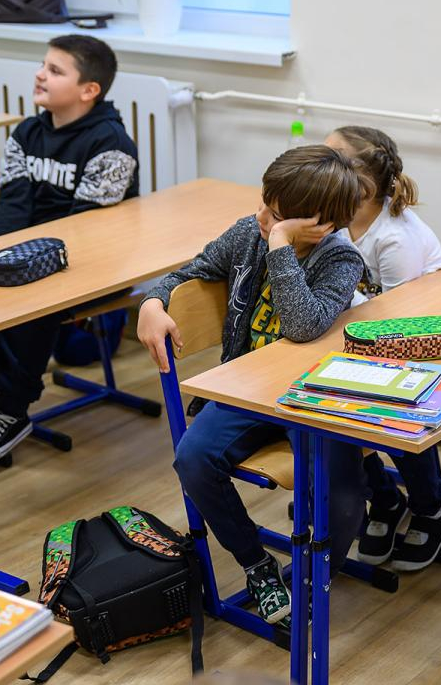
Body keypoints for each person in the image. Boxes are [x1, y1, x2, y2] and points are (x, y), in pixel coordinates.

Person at [137, 145, 366, 625]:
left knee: (340, 491)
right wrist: (152, 304)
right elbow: (187, 273)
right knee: (193, 458)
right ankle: (256, 563)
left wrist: (280, 244)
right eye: (264, 203)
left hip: (314, 396)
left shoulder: (341, 259)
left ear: (320, 224)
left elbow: (303, 325)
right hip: (249, 389)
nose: (261, 217)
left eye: (276, 215)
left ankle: (317, 574)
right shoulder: (248, 233)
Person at [0, 34, 139, 464]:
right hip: (29, 255)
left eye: (55, 70)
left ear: (89, 89)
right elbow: (12, 206)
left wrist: (28, 269)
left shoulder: (112, 144)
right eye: (43, 65)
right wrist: (1, 261)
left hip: (90, 264)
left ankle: (13, 407)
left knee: (35, 302)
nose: (40, 74)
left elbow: (88, 228)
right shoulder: (27, 132)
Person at [325, 125, 441, 571]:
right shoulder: (338, 220)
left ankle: (431, 509)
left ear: (362, 183)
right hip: (361, 336)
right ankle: (384, 497)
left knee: (399, 419)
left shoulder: (393, 237)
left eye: (329, 157)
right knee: (334, 414)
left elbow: (401, 324)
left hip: (416, 347)